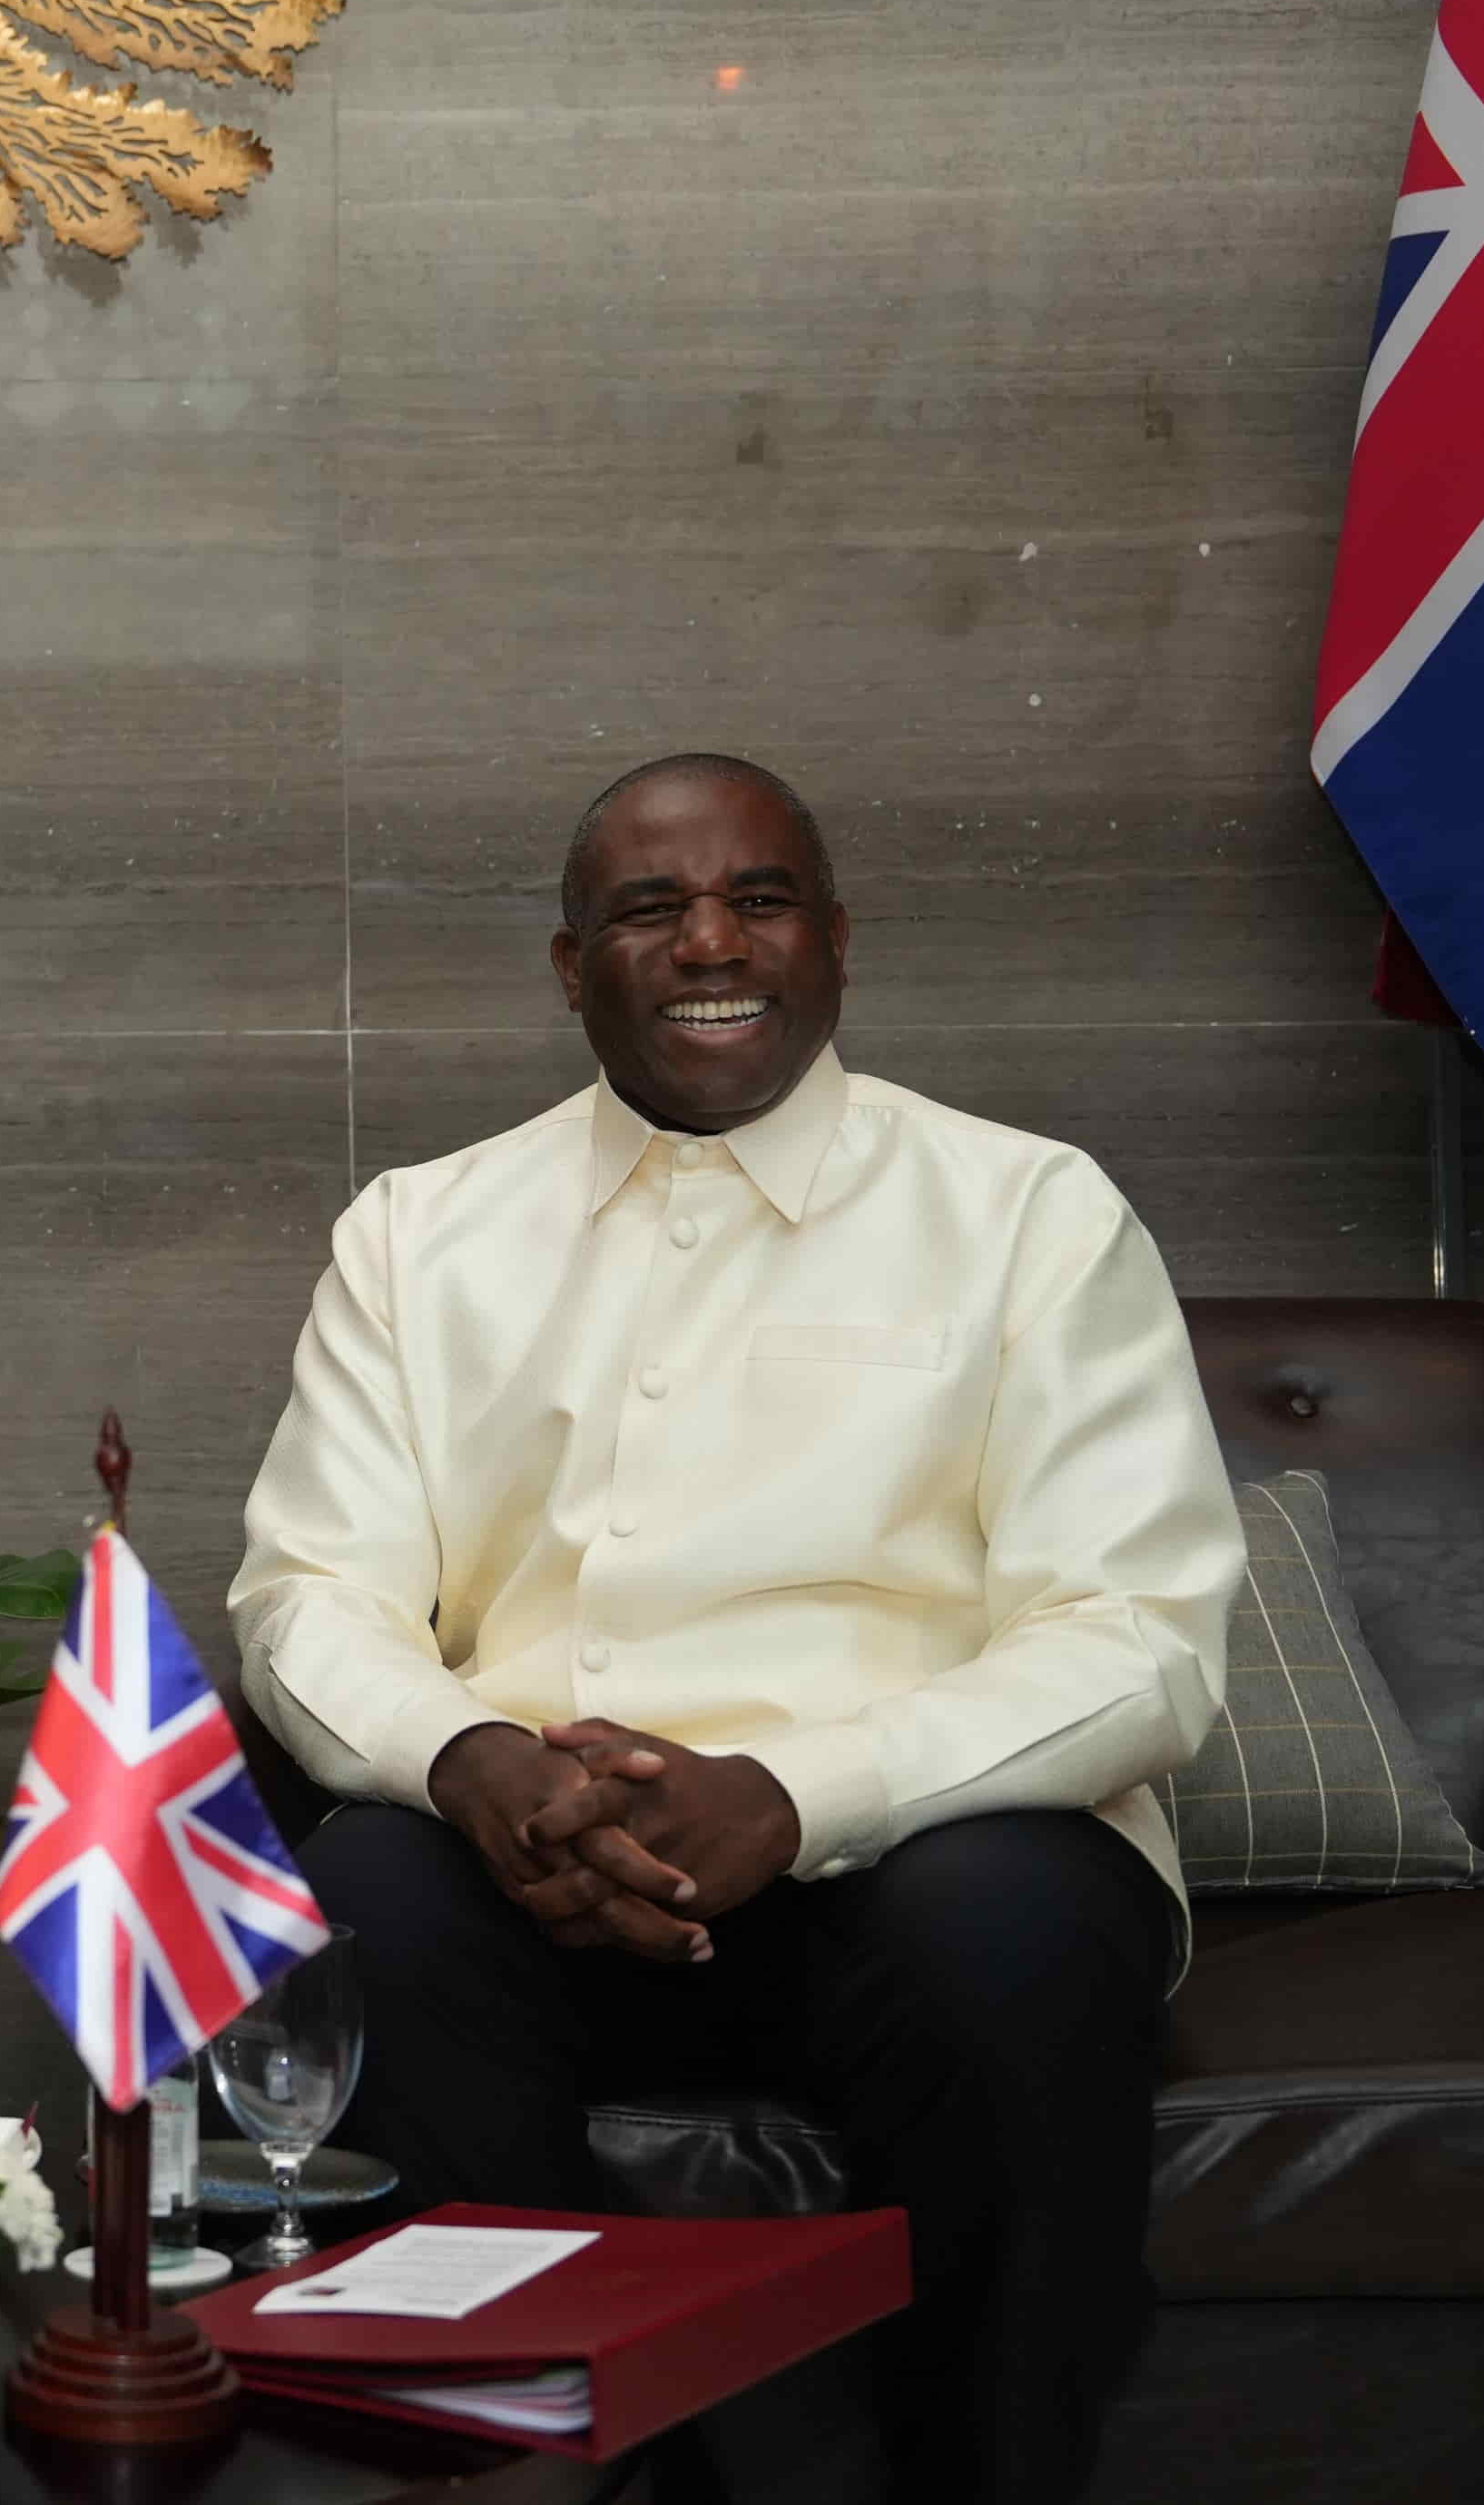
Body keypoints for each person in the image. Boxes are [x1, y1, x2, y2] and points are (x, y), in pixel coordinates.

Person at [227, 754, 1243, 2504]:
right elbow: (307, 1591)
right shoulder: (418, 1233)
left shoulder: (1026, 1212)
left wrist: (789, 1794)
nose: (713, 941)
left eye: (759, 900)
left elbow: (1138, 1634)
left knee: (1011, 1922)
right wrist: (468, 1760)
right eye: (650, 907)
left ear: (835, 943)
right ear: (571, 968)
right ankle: (545, 2476)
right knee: (370, 1903)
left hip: (918, 1866)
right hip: (538, 1873)